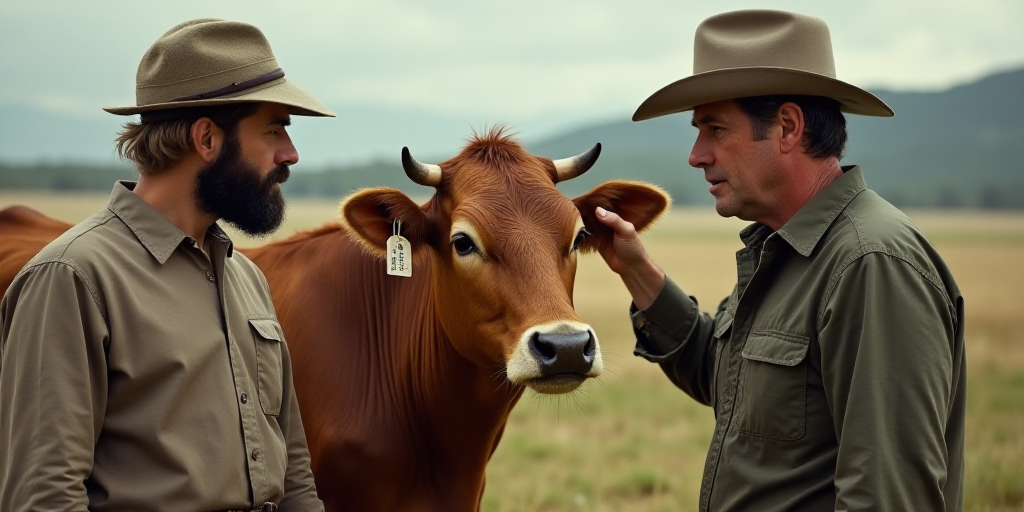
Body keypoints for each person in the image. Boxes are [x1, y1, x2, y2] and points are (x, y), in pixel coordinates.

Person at [594, 10, 965, 511]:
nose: (696, 154)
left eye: (715, 129)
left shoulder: (870, 264)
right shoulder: (787, 249)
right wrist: (638, 272)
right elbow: (726, 379)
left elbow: (888, 496)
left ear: (788, 127)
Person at [0, 19, 335, 512]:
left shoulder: (247, 280)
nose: (291, 153)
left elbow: (295, 477)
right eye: (274, 129)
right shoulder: (73, 277)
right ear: (206, 139)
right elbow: (43, 495)